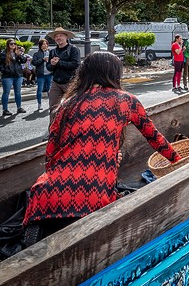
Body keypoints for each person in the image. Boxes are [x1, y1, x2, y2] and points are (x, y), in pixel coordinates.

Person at [22, 51, 181, 243]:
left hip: (48, 193)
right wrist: (178, 160)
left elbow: (51, 151)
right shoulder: (126, 100)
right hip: (95, 194)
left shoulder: (68, 103)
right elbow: (154, 138)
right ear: (114, 74)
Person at [47, 27, 80, 121]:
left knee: (72, 108)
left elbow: (76, 64)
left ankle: (72, 130)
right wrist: (52, 64)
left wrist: (59, 63)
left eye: (60, 35)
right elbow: (48, 67)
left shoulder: (73, 49)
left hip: (70, 83)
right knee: (53, 108)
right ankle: (53, 131)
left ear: (66, 37)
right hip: (56, 82)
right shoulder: (53, 51)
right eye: (56, 36)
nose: (58, 38)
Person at [1, 39, 27, 116]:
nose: (13, 45)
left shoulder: (17, 53)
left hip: (18, 75)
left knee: (18, 92)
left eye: (14, 44)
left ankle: (19, 107)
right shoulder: (3, 53)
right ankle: (5, 109)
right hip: (8, 76)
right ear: (8, 45)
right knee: (6, 92)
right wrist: (6, 71)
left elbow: (23, 61)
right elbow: (1, 65)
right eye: (11, 44)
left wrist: (20, 54)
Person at [32, 39, 54, 112]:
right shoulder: (36, 54)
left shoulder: (51, 52)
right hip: (41, 74)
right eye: (43, 44)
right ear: (40, 46)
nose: (45, 45)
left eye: (46, 44)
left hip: (49, 74)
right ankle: (39, 104)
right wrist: (42, 59)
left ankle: (51, 103)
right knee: (40, 89)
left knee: (50, 90)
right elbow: (34, 63)